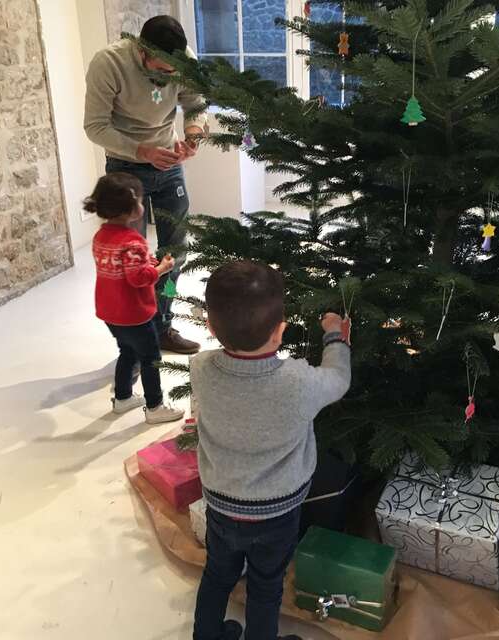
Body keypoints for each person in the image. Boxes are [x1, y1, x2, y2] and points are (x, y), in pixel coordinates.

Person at [190, 260, 352, 640]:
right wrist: (334, 335)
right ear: (280, 332)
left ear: (211, 328)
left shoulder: (200, 368)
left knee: (216, 575)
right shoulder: (297, 383)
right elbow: (339, 379)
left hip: (222, 504)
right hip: (277, 512)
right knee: (265, 586)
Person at [84, 15, 207, 354]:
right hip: (125, 168)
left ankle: (163, 325)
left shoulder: (184, 61)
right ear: (141, 50)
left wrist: (193, 138)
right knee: (131, 262)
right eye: (162, 70)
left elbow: (196, 105)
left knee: (176, 255)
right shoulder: (108, 63)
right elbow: (95, 126)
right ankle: (137, 339)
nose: (169, 77)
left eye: (174, 71)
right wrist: (142, 151)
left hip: (168, 166)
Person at [86, 173, 185, 425]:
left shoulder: (101, 236)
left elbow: (121, 269)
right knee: (151, 358)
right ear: (132, 207)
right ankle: (155, 406)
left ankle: (122, 398)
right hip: (134, 313)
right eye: (141, 200)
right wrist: (161, 268)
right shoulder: (133, 242)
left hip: (110, 311)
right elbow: (139, 278)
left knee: (127, 352)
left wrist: (146, 261)